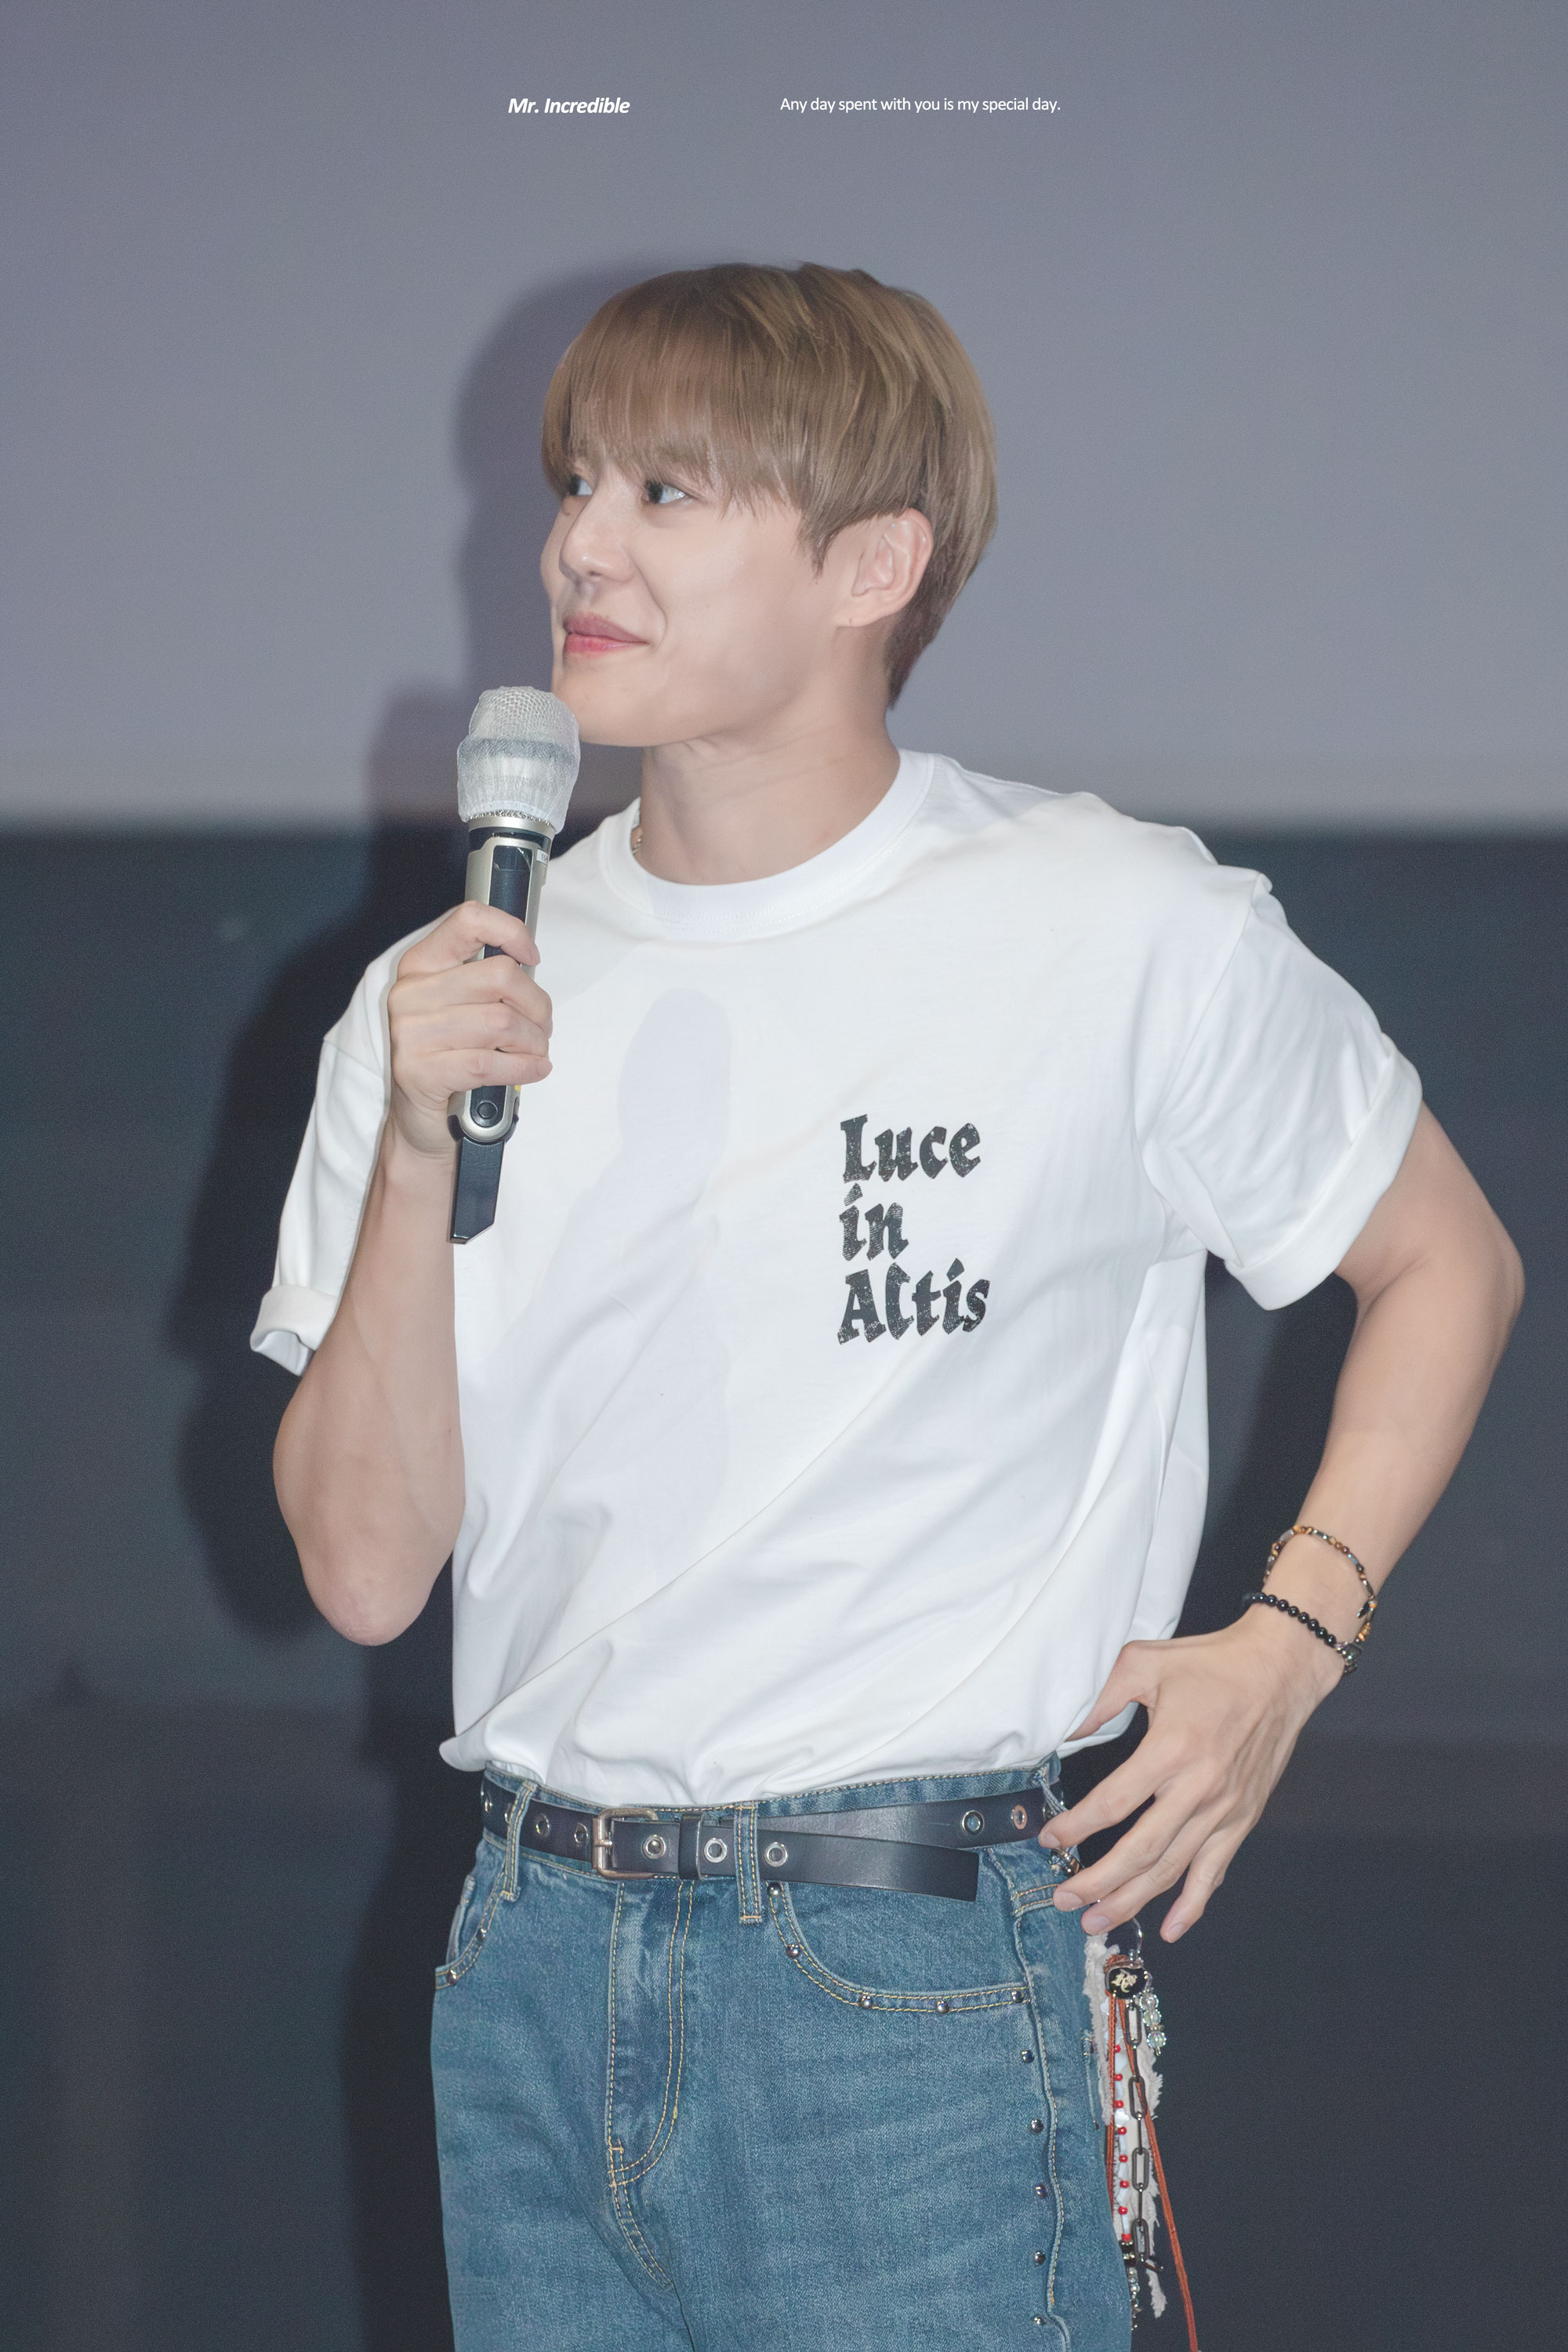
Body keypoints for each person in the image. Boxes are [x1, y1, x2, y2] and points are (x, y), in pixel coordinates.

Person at [252, 263, 1522, 2351]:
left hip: (906, 1980)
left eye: (667, 491)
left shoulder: (1112, 924)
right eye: (578, 483)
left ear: (873, 565)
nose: (580, 547)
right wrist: (409, 1147)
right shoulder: (451, 995)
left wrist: (1288, 1646)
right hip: (533, 1958)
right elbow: (367, 1572)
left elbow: (1446, 1258)